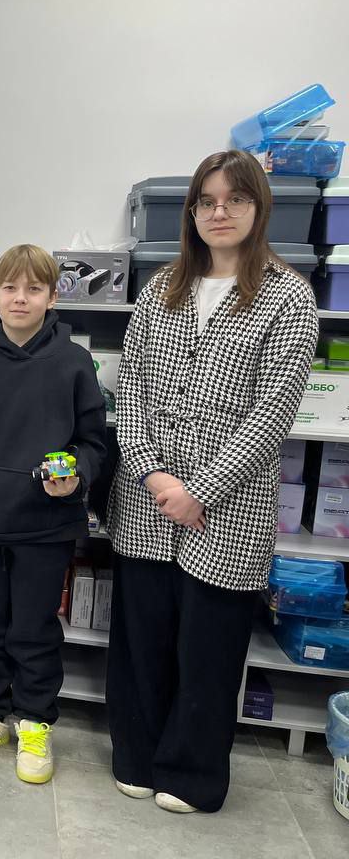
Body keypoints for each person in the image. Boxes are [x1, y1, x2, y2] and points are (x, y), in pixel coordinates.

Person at [105, 150, 318, 814]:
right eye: (207, 201)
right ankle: (136, 757)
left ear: (259, 208)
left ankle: (191, 775)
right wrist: (154, 474)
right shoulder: (160, 290)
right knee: (142, 641)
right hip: (146, 499)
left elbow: (272, 415)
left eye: (235, 200)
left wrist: (198, 490)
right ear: (192, 212)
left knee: (209, 651)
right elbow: (130, 391)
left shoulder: (288, 297)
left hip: (229, 510)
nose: (219, 212)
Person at [0, 244, 106, 783]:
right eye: (10, 288)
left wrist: (76, 474)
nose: (20, 298)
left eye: (33, 289)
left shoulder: (73, 362)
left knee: (33, 629)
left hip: (46, 526)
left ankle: (33, 721)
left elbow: (94, 443)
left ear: (52, 297)